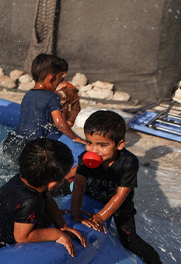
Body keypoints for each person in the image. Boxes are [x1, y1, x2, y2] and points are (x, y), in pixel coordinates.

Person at [70, 110, 161, 264]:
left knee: (129, 239)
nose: (93, 150)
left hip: (121, 206)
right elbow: (79, 187)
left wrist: (100, 217)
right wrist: (76, 215)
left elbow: (120, 196)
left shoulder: (128, 163)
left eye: (102, 145)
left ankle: (157, 262)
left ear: (120, 144)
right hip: (93, 195)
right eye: (89, 142)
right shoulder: (86, 159)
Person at [0, 138, 87, 256]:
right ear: (53, 184)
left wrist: (62, 225)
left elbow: (46, 197)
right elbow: (22, 237)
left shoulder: (24, 179)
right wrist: (57, 234)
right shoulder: (30, 201)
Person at [5, 54, 84, 153]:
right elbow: (59, 122)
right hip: (32, 145)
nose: (58, 84)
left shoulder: (28, 94)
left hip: (14, 140)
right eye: (59, 79)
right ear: (51, 78)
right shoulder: (52, 97)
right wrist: (75, 137)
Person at [55, 58, 81, 127]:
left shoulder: (70, 89)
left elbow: (76, 108)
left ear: (63, 74)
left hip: (62, 124)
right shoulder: (47, 88)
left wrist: (70, 121)